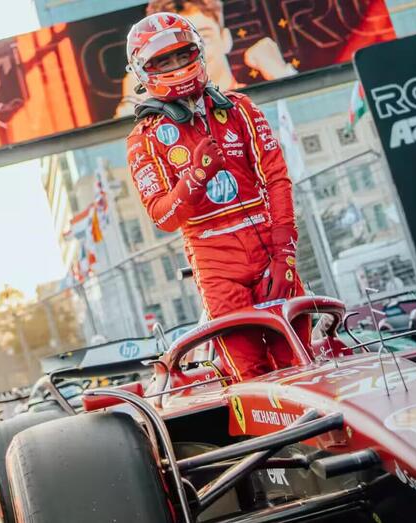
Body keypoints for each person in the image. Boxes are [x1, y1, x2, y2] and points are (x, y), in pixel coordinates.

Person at [125, 12, 309, 381]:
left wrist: (284, 250)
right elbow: (163, 218)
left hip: (270, 249)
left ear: (200, 51)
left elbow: (276, 178)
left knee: (299, 358)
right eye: (163, 61)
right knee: (250, 373)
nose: (177, 65)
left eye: (182, 54)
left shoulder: (240, 108)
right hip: (214, 262)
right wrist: (195, 176)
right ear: (144, 71)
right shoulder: (143, 140)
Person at [116, 0, 297, 116]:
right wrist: (131, 102)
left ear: (225, 38)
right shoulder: (159, 125)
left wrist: (282, 75)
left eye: (202, 39)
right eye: (166, 56)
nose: (178, 63)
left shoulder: (245, 105)